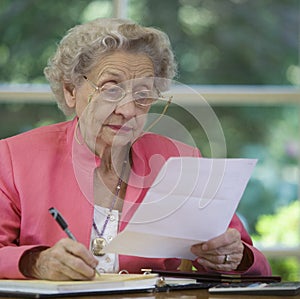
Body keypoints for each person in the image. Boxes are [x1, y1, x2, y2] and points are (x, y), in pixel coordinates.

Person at [0, 18, 271, 281]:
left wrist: (234, 257)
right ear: (71, 90)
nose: (128, 110)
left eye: (143, 95)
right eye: (111, 90)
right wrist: (36, 262)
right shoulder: (14, 158)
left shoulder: (179, 160)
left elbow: (256, 264)